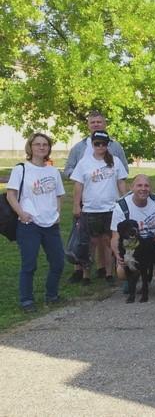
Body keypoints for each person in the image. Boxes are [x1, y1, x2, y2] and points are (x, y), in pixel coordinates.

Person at [64, 110, 129, 284]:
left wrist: (126, 200)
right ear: (92, 144)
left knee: (108, 242)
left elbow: (122, 180)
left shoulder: (115, 158)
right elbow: (78, 184)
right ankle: (84, 273)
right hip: (90, 208)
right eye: (97, 144)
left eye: (103, 144)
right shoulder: (82, 158)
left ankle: (108, 272)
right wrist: (77, 205)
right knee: (88, 242)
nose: (100, 146)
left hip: (111, 207)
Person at [7, 133, 66, 312]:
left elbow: (60, 195)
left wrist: (57, 213)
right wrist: (21, 213)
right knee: (29, 264)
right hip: (29, 225)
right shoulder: (21, 169)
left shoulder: (53, 171)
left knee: (58, 262)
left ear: (48, 148)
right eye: (37, 144)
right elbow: (11, 194)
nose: (41, 147)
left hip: (51, 224)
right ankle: (27, 300)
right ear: (30, 147)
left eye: (45, 145)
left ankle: (52, 295)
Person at [110, 175, 155, 291]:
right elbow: (115, 236)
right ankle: (130, 277)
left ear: (151, 188)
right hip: (133, 244)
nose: (143, 189)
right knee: (121, 272)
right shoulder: (121, 206)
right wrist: (118, 255)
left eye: (146, 186)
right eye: (139, 185)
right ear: (132, 188)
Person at [64, 110, 129, 178]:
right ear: (88, 125)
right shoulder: (78, 147)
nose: (96, 124)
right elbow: (68, 169)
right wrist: (79, 177)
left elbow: (124, 171)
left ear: (105, 124)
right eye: (92, 122)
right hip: (85, 187)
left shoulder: (115, 146)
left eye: (99, 122)